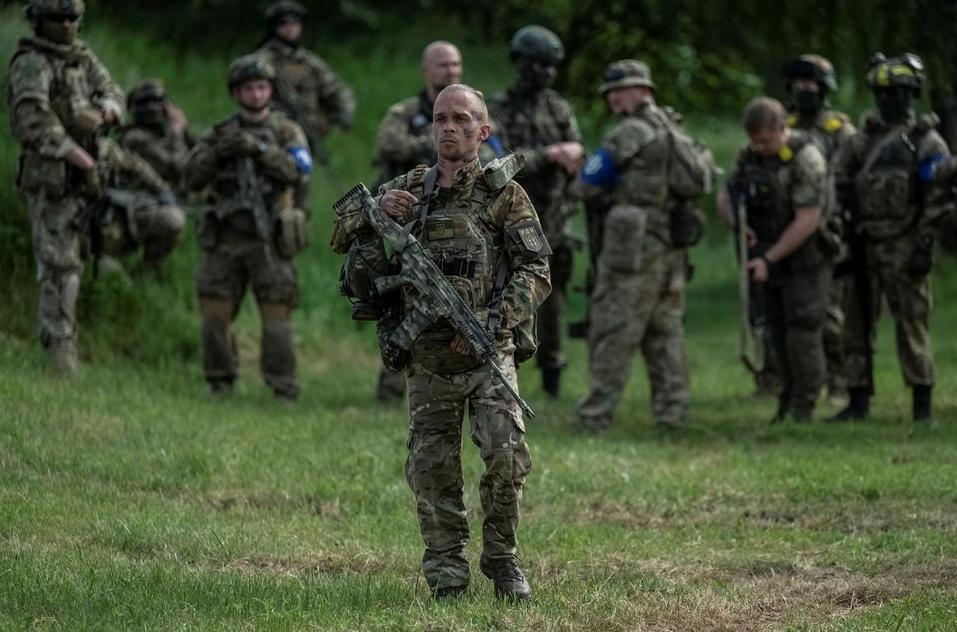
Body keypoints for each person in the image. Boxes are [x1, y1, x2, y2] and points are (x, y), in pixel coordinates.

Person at [332, 84, 550, 600]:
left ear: (483, 131)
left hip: (486, 351)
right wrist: (377, 208)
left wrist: (493, 325)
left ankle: (502, 561)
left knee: (505, 457)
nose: (449, 127)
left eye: (461, 119)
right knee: (432, 471)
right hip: (427, 359)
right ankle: (447, 573)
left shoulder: (505, 194)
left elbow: (536, 269)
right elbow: (339, 234)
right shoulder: (410, 187)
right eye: (440, 118)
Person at [575, 60, 696, 432]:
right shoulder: (675, 130)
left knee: (614, 327)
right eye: (610, 92)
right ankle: (672, 414)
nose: (612, 98)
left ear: (643, 91)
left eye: (619, 90)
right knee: (665, 330)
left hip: (633, 250)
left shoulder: (630, 132)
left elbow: (587, 183)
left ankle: (596, 415)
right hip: (670, 245)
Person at [830, 53, 951, 424]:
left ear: (911, 94)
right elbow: (839, 186)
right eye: (882, 93)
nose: (889, 101)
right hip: (865, 242)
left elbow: (940, 197)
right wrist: (845, 238)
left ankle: (921, 405)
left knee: (912, 325)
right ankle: (857, 399)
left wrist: (925, 245)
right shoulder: (859, 143)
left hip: (906, 242)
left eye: (897, 93)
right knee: (854, 324)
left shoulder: (927, 143)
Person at [184, 55, 313, 401]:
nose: (256, 95)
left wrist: (259, 150)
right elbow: (191, 176)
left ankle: (283, 388)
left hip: (270, 239)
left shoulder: (286, 130)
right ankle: (220, 382)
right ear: (236, 93)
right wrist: (218, 153)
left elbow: (299, 171)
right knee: (214, 317)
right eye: (248, 89)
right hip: (225, 239)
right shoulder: (220, 133)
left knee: (277, 322)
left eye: (261, 87)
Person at [7, 0, 125, 372]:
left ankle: (70, 342)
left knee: (82, 256)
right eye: (59, 18)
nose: (68, 24)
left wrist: (104, 112)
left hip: (86, 180)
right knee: (59, 266)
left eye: (73, 17)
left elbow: (113, 92)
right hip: (52, 178)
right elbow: (31, 118)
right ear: (41, 21)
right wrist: (74, 152)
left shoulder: (81, 58)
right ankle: (59, 350)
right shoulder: (31, 62)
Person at [719, 97, 830, 422]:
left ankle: (804, 406)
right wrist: (738, 225)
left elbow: (807, 220)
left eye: (765, 140)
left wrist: (768, 258)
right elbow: (726, 194)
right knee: (775, 331)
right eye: (754, 141)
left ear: (783, 129)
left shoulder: (807, 159)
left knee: (802, 332)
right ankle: (785, 396)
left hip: (805, 259)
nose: (760, 147)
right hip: (766, 257)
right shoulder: (749, 154)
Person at [489, 25, 585, 399]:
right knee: (506, 295)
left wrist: (574, 152)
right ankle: (503, 373)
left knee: (553, 301)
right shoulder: (498, 108)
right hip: (512, 221)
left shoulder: (559, 106)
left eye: (550, 66)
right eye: (537, 65)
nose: (544, 73)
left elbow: (578, 151)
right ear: (521, 64)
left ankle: (553, 377)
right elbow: (495, 161)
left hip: (555, 221)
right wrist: (549, 155)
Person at [369, 40, 463, 403]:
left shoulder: (473, 110)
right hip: (405, 218)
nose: (450, 72)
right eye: (442, 65)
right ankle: (391, 386)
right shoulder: (405, 111)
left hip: (453, 215)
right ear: (426, 71)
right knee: (403, 300)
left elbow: (491, 152)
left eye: (455, 65)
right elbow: (388, 145)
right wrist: (438, 137)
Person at [782, 54, 856, 404]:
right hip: (790, 232)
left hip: (829, 234)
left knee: (830, 313)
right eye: (798, 84)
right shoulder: (786, 127)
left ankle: (839, 381)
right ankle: (786, 380)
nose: (803, 90)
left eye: (810, 84)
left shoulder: (840, 131)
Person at [256, 0, 354, 206]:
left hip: (306, 138)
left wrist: (343, 113)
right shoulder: (263, 62)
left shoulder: (309, 62)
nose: (290, 27)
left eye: (295, 22)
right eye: (283, 23)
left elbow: (336, 89)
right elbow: (252, 96)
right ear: (274, 27)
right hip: (273, 137)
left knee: (301, 190)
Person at [119, 79, 195, 196]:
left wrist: (184, 131)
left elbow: (199, 158)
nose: (152, 107)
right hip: (150, 201)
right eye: (145, 102)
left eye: (157, 101)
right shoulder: (135, 137)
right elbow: (176, 168)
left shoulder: (167, 131)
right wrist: (178, 133)